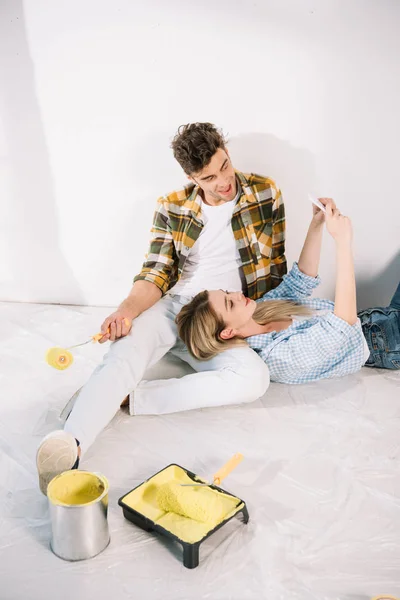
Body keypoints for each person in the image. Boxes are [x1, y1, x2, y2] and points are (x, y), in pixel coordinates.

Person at [36, 122, 287, 494]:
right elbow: (155, 272)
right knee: (125, 354)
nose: (223, 182)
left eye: (225, 166)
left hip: (224, 317)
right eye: (209, 177)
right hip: (177, 307)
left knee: (254, 378)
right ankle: (69, 447)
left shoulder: (265, 191)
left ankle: (128, 397)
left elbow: (276, 266)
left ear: (226, 150)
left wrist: (264, 321)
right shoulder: (171, 207)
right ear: (191, 177)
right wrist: (125, 311)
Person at [176, 199, 400, 383]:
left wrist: (316, 224)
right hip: (387, 343)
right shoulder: (280, 358)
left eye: (227, 292)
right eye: (229, 303)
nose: (236, 294)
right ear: (227, 332)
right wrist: (343, 242)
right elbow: (343, 324)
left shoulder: (260, 313)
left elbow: (299, 282)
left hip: (378, 318)